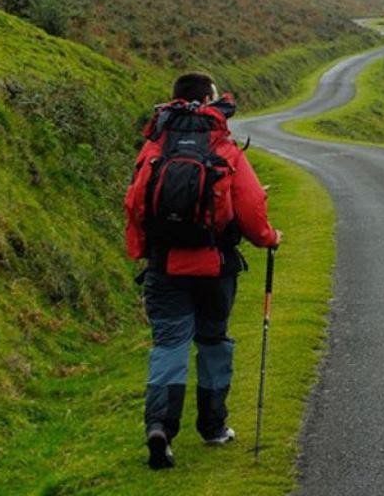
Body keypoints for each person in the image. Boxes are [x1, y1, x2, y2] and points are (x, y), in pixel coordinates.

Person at [124, 72, 282, 470]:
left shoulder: (154, 146)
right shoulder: (225, 149)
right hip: (215, 269)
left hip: (165, 267)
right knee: (213, 341)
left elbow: (135, 204)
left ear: (173, 100)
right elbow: (251, 210)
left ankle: (160, 428)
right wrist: (270, 238)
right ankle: (213, 426)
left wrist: (144, 252)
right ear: (210, 100)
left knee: (169, 345)